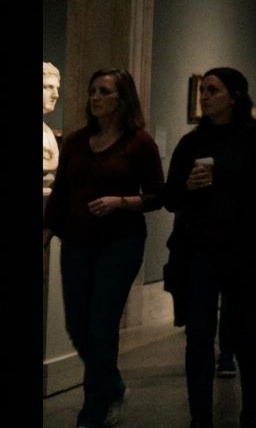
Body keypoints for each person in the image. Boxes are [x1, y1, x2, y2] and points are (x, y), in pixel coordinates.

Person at [163, 67, 256, 428]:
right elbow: (170, 197)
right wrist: (188, 185)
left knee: (246, 331)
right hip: (199, 251)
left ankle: (251, 410)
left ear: (234, 96)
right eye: (202, 90)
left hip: (246, 251)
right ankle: (200, 416)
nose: (204, 97)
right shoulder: (192, 143)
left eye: (213, 90)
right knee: (198, 335)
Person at [43, 68, 165, 428]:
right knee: (77, 327)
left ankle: (92, 414)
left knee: (101, 327)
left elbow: (158, 196)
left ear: (122, 98)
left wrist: (120, 201)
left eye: (105, 92)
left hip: (120, 243)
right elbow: (60, 195)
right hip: (76, 243)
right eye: (93, 91)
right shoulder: (76, 141)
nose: (96, 97)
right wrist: (45, 237)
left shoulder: (139, 143)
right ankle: (113, 385)